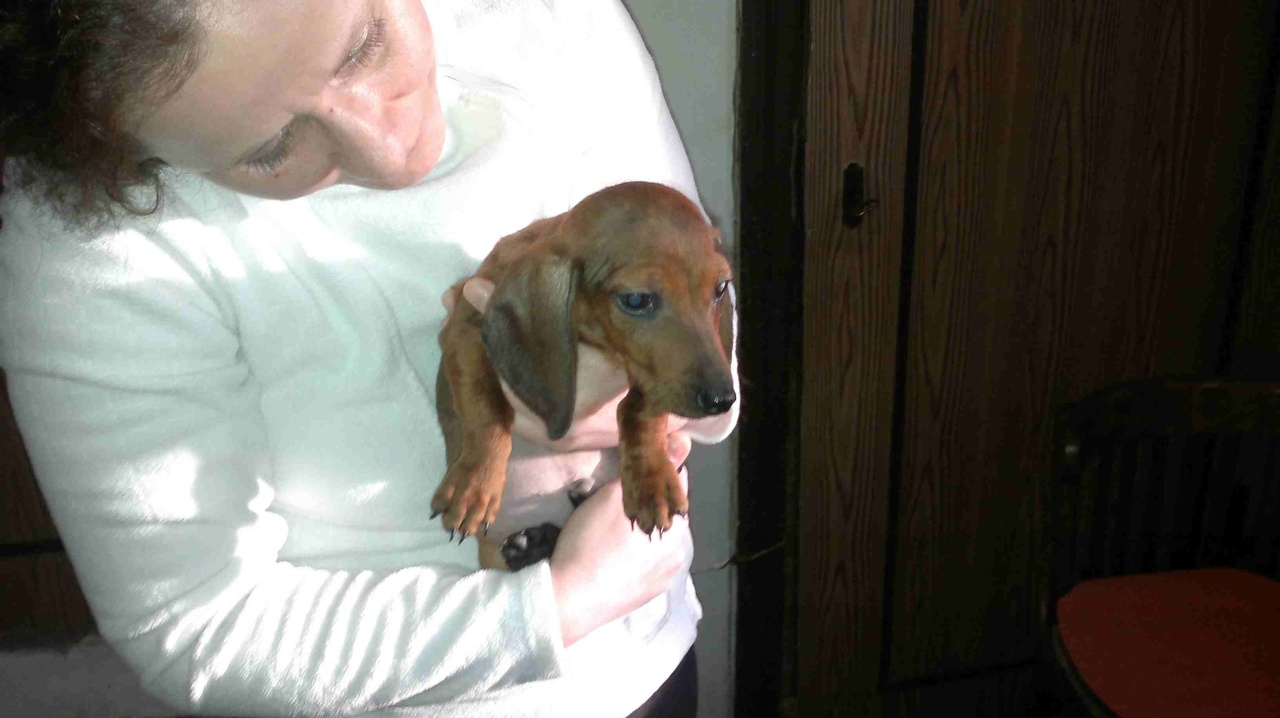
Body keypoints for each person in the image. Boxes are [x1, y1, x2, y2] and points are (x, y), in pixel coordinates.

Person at [0, 1, 738, 716]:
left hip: (650, 659)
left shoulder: (549, 18)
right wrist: (556, 608)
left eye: (364, 44)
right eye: (269, 149)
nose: (389, 147)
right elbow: (195, 628)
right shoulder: (86, 237)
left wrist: (603, 407)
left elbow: (711, 357)